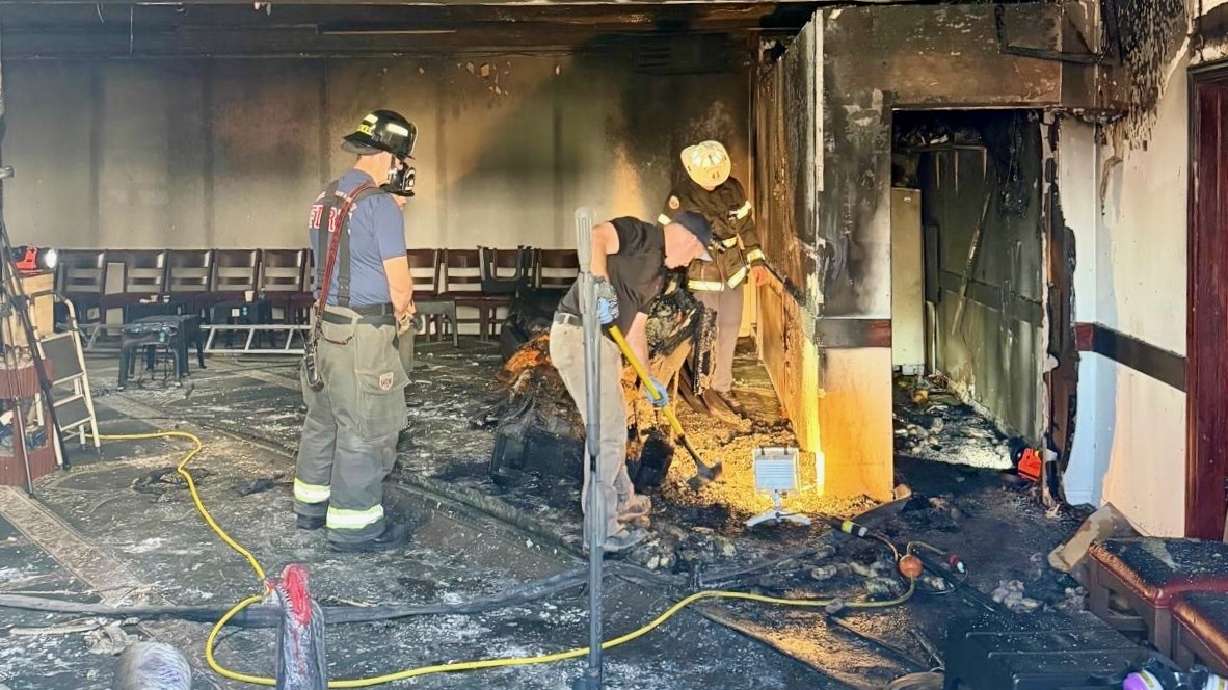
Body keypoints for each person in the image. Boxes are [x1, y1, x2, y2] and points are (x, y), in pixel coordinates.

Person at [293, 109, 419, 553]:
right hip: (364, 334)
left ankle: (311, 508)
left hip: (325, 327)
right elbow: (399, 286)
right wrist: (404, 318)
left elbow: (346, 250)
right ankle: (355, 528)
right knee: (366, 427)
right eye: (402, 160)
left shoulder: (325, 197)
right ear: (390, 157)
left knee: (323, 420)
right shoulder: (380, 206)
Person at [551, 212, 713, 553]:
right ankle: (601, 530)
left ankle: (624, 502)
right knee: (607, 431)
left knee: (614, 427)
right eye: (694, 253)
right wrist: (599, 286)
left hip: (606, 345)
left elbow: (636, 331)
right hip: (579, 335)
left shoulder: (658, 277)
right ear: (685, 237)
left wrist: (648, 378)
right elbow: (595, 236)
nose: (689, 262)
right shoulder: (641, 235)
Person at [660, 140, 769, 420]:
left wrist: (757, 262)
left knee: (730, 327)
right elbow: (666, 235)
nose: (712, 183)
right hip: (702, 271)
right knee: (704, 333)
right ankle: (702, 387)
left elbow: (746, 227)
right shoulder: (680, 195)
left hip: (733, 271)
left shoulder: (733, 188)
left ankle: (722, 386)